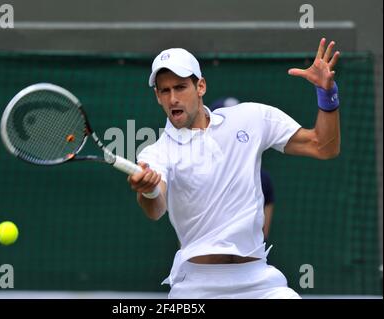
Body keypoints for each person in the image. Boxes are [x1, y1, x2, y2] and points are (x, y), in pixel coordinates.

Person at [128, 38, 341, 299]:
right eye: (165, 91)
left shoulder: (251, 118)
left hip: (259, 281)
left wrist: (326, 94)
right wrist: (148, 191)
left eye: (181, 87)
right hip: (196, 286)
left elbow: (323, 146)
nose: (173, 98)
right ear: (157, 96)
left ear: (200, 86)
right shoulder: (156, 153)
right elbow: (155, 208)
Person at [209, 97, 276, 240]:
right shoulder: (197, 173)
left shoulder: (262, 179)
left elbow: (263, 232)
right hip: (207, 257)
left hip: (250, 256)